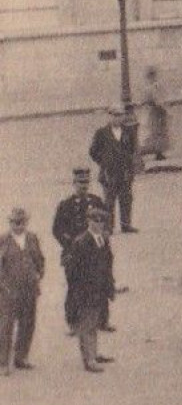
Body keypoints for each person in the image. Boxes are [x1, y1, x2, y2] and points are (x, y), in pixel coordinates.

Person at [64, 207, 116, 373]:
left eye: (101, 221)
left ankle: (93, 353)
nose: (98, 224)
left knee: (95, 321)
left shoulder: (103, 239)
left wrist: (109, 286)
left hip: (100, 289)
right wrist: (80, 288)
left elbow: (108, 264)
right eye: (95, 221)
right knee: (86, 324)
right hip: (86, 291)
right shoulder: (81, 242)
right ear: (88, 221)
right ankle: (89, 360)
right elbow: (72, 270)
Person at [0, 207, 45, 374]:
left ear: (26, 222)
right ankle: (3, 362)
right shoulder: (3, 240)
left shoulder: (32, 238)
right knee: (6, 326)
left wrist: (39, 273)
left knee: (27, 323)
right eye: (15, 222)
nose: (18, 225)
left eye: (21, 222)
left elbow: (39, 258)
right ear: (10, 223)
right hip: (9, 290)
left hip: (29, 289)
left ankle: (21, 357)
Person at [89, 106, 139, 234]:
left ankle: (126, 224)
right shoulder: (101, 133)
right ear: (109, 116)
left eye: (120, 115)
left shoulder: (128, 132)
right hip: (109, 173)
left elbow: (132, 149)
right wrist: (104, 162)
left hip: (124, 172)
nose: (117, 118)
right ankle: (108, 226)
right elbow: (93, 151)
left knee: (126, 198)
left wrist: (129, 166)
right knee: (109, 200)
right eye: (114, 115)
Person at [52, 167, 106, 258]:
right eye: (81, 182)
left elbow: (107, 223)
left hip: (95, 252)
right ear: (74, 183)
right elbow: (57, 229)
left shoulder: (97, 202)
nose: (84, 186)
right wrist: (70, 244)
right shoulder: (66, 205)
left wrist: (101, 240)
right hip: (74, 252)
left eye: (86, 182)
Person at [139, 66, 171, 162]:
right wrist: (162, 107)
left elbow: (147, 100)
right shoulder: (153, 87)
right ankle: (152, 151)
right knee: (154, 132)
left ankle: (158, 152)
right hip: (155, 112)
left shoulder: (149, 87)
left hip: (153, 112)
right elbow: (157, 100)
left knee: (156, 132)